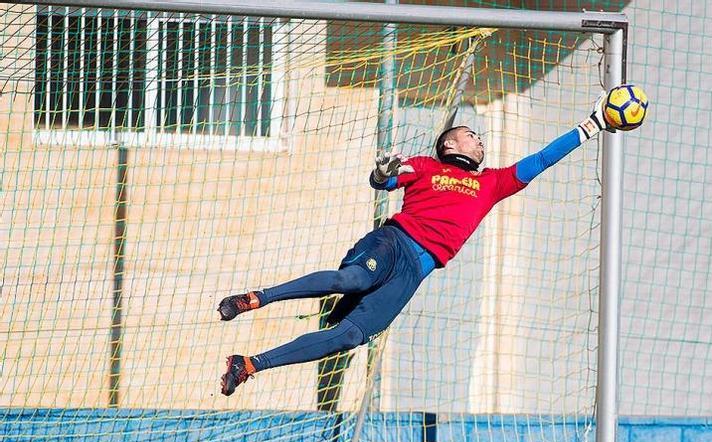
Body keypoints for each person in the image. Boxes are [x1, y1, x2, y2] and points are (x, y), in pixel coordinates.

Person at [216, 94, 614, 396]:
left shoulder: (493, 182)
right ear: (451, 146)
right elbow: (388, 179)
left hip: (417, 270)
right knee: (352, 279)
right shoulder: (427, 166)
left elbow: (542, 159)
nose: (479, 142)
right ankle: (256, 298)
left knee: (349, 336)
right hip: (394, 241)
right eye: (471, 136)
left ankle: (249, 365)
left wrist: (593, 124)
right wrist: (381, 174)